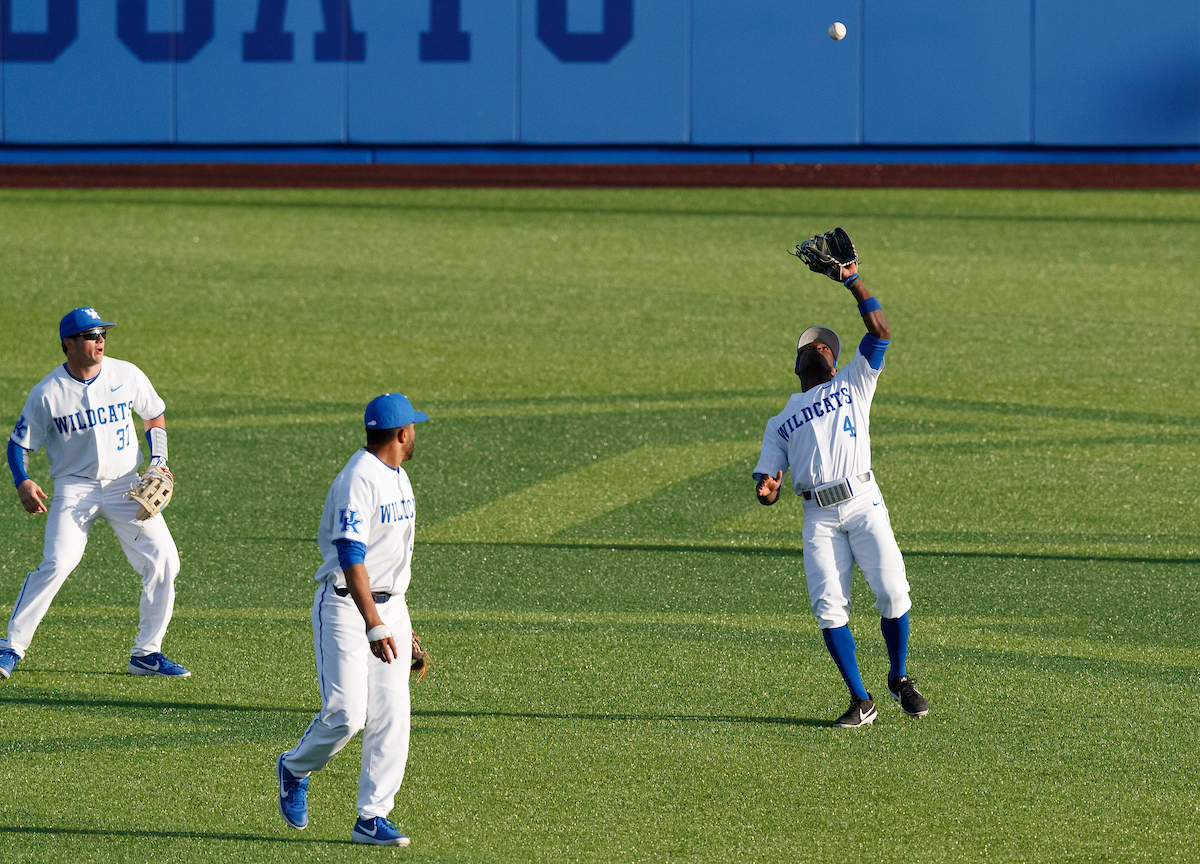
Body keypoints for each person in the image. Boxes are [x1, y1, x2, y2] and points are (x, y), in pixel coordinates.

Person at [753, 257, 929, 728]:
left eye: (825, 345)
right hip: (819, 518)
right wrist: (767, 490)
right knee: (829, 608)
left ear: (834, 362)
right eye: (810, 344)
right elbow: (768, 483)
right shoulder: (780, 422)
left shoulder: (856, 381)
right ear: (797, 363)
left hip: (864, 503)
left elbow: (881, 330)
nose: (817, 346)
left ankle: (899, 678)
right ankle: (861, 700)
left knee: (893, 592)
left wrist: (853, 281)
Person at [1, 307, 188, 679]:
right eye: (90, 335)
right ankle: (10, 647)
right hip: (75, 489)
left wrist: (160, 459)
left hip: (126, 486)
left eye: (102, 333)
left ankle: (146, 653)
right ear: (69, 343)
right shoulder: (47, 393)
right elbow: (18, 443)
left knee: (165, 561)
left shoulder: (126, 373)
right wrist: (22, 479)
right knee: (57, 562)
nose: (100, 339)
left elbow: (153, 415)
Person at [277, 392, 427, 847]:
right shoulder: (358, 478)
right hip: (345, 605)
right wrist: (374, 622)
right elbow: (351, 554)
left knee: (392, 712)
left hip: (388, 606)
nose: (416, 434)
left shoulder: (398, 476)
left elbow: (389, 560)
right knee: (346, 714)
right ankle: (295, 767)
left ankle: (372, 816)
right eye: (414, 428)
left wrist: (397, 619)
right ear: (401, 434)